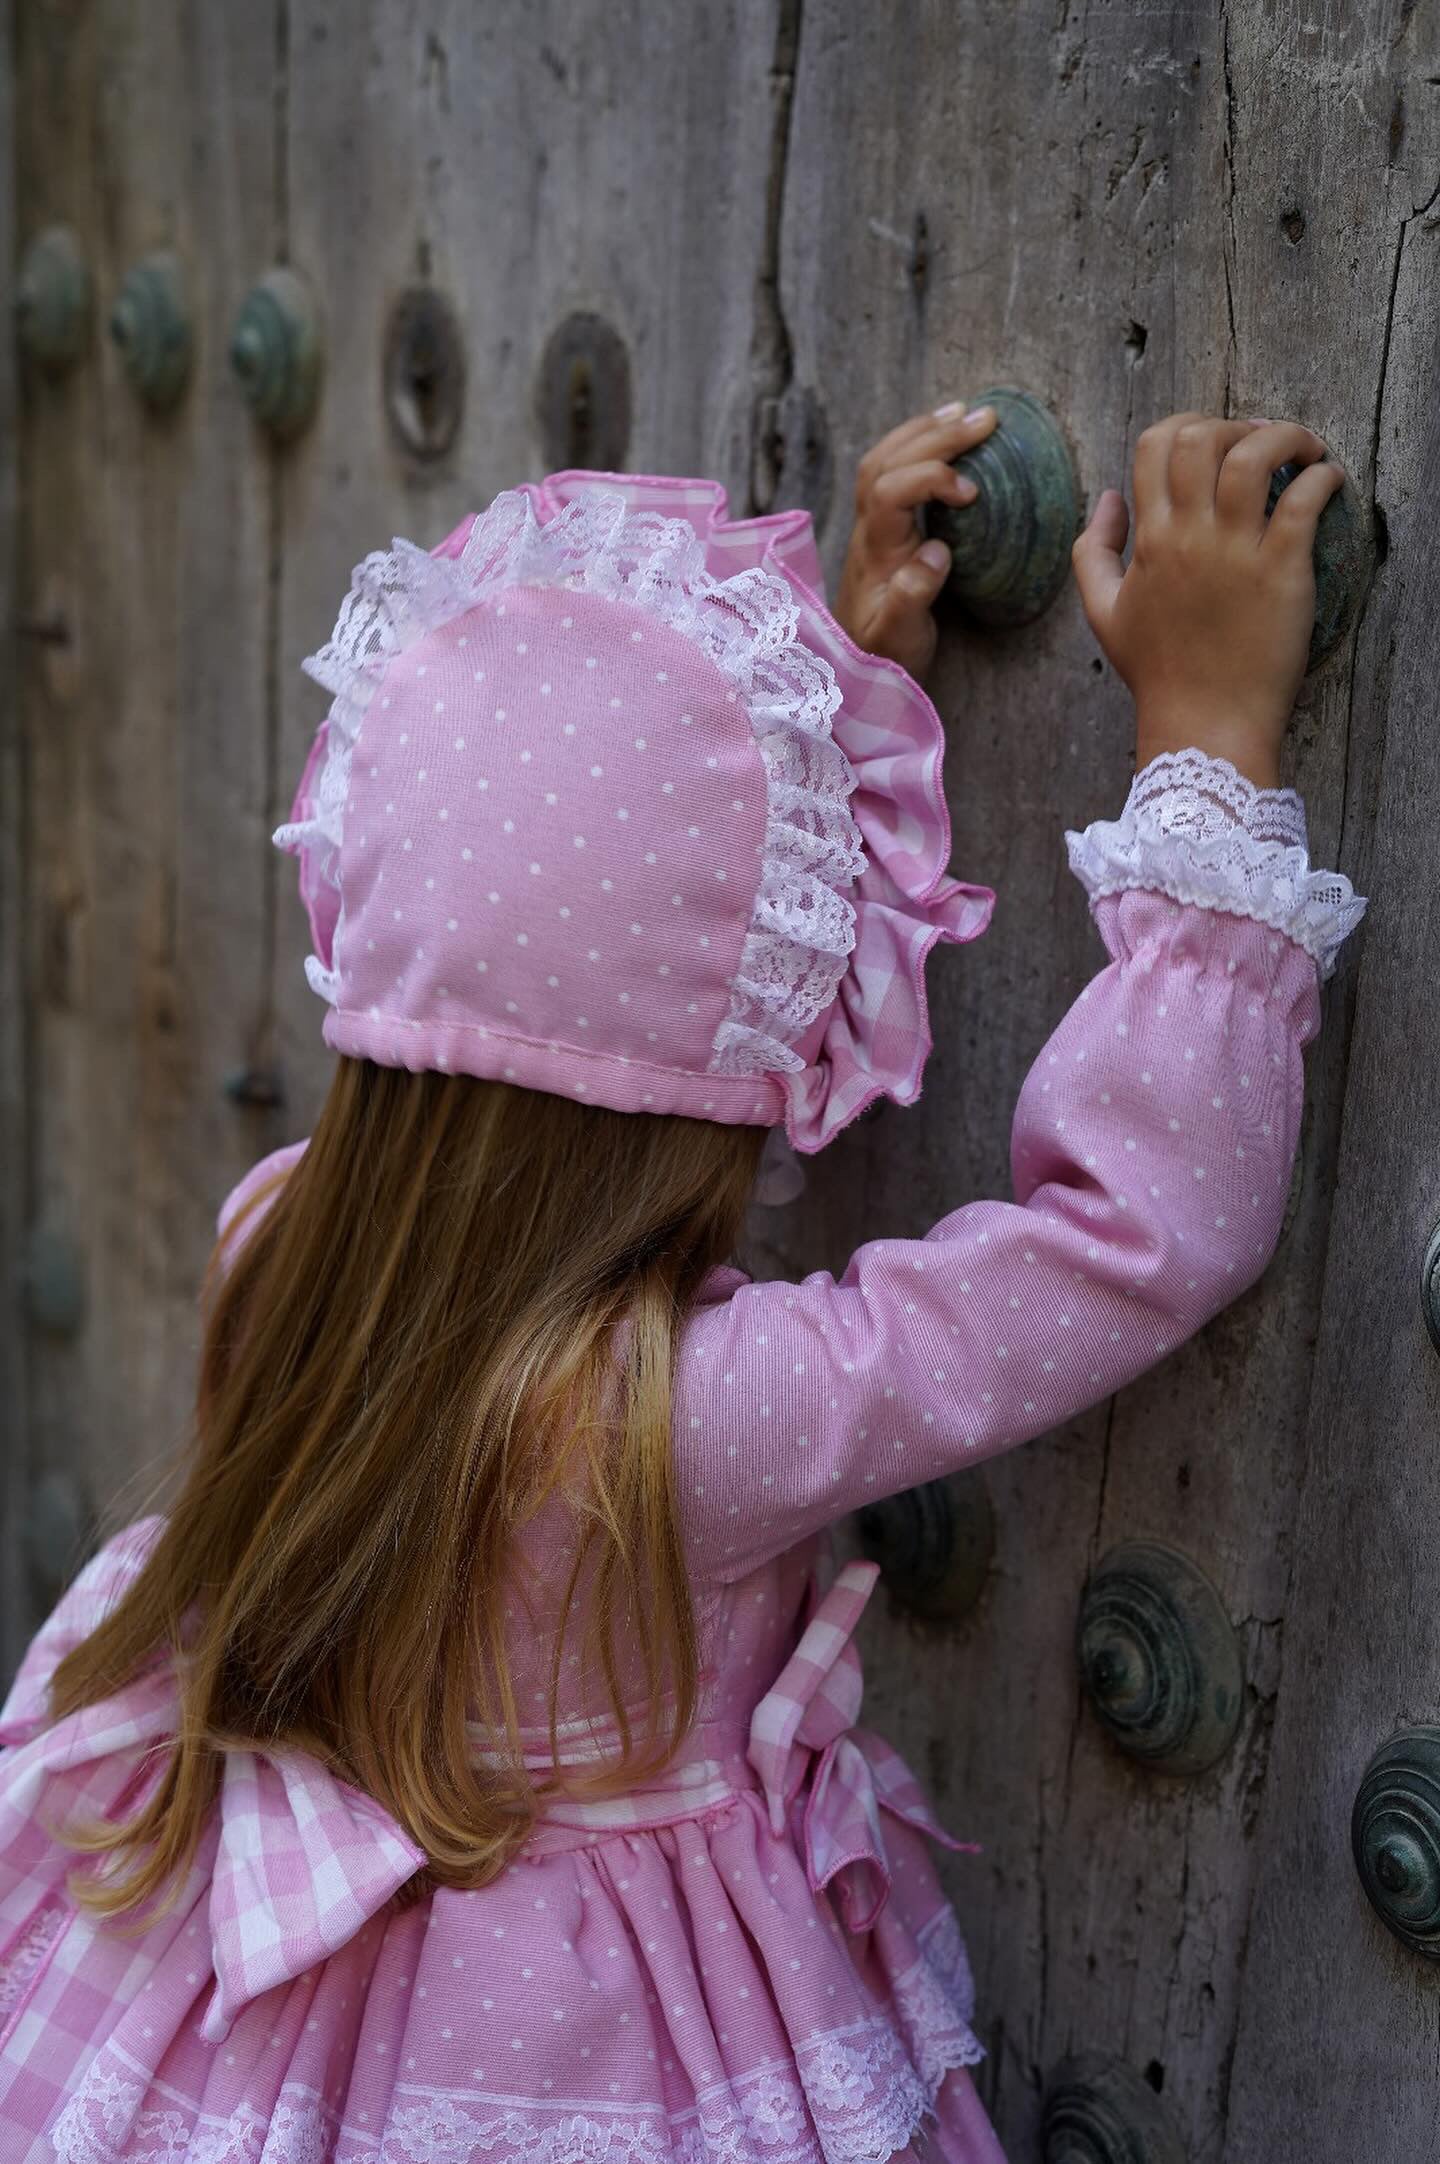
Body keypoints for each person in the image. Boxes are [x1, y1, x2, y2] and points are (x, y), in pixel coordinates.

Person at [0, 407, 1363, 2164]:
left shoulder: (285, 1239)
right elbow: (1142, 1232)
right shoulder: (701, 1420)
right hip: (605, 2037)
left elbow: (602, 1040)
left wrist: (828, 709)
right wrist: (1210, 749)